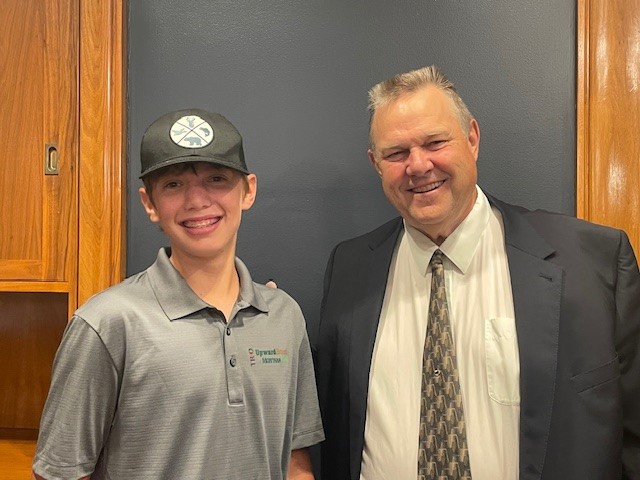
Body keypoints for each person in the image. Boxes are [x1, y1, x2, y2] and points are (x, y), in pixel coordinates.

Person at [313, 65, 640, 479]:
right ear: (375, 164)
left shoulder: (592, 261)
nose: (417, 165)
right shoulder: (349, 268)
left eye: (435, 142)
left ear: (472, 138)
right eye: (396, 153)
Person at [32, 108, 324, 480]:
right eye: (173, 184)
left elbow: (294, 455)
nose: (197, 200)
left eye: (216, 179)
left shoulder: (284, 316)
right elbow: (59, 472)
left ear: (248, 190)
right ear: (149, 203)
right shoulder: (106, 324)